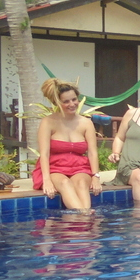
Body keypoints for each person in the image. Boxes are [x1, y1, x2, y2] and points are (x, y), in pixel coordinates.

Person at [33, 78, 102, 209]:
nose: (72, 104)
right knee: (65, 183)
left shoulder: (86, 123)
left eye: (74, 99)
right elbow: (44, 154)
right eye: (66, 101)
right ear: (57, 103)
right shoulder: (48, 122)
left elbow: (93, 153)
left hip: (79, 167)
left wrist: (96, 176)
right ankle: (85, 217)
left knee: (82, 183)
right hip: (55, 168)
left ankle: (83, 217)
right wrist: (46, 180)